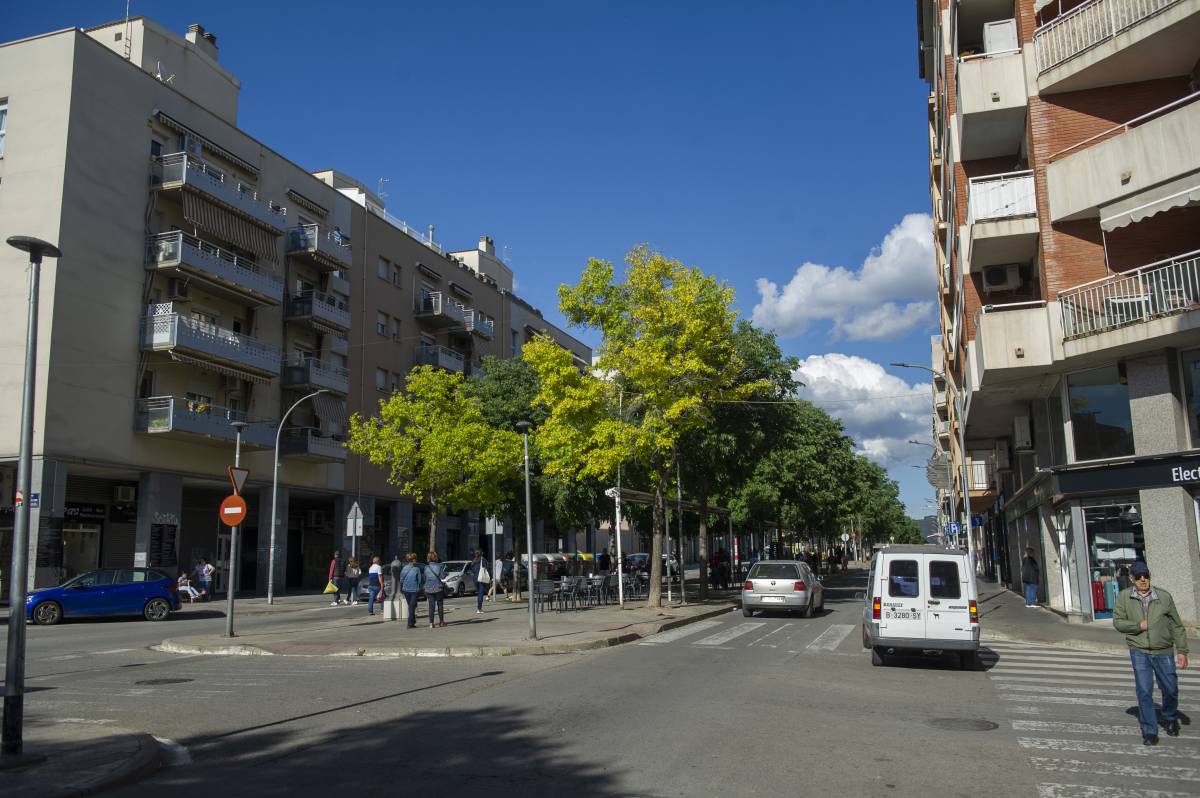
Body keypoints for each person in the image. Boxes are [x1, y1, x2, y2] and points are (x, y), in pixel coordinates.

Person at [1113, 561, 1189, 746]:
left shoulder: (1163, 596)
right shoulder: (1124, 597)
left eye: (1145, 576)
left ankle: (1170, 717)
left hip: (1163, 650)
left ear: (1149, 577)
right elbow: (1118, 622)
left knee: (1170, 688)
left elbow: (1177, 626)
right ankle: (1149, 731)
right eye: (1138, 577)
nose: (1142, 580)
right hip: (1139, 651)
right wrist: (1137, 626)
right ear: (1131, 578)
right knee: (1145, 691)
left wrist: (1182, 650)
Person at [399, 553, 423, 629]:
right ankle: (410, 623)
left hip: (406, 590)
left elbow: (401, 579)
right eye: (415, 559)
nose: (416, 560)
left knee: (411, 606)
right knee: (412, 607)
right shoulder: (417, 569)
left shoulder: (404, 568)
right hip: (414, 590)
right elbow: (419, 580)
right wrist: (420, 588)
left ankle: (412, 621)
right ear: (413, 560)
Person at [424, 552, 446, 628]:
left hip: (428, 588)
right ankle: (441, 622)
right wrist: (446, 574)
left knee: (431, 606)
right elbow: (442, 577)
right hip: (438, 588)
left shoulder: (426, 567)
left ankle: (431, 623)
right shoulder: (439, 566)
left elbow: (425, 577)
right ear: (435, 557)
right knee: (440, 605)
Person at [467, 549, 490, 614]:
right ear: (481, 554)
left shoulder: (474, 560)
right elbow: (486, 567)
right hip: (481, 578)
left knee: (479, 593)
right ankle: (479, 608)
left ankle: (479, 608)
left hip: (475, 579)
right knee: (481, 593)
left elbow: (472, 570)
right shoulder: (483, 559)